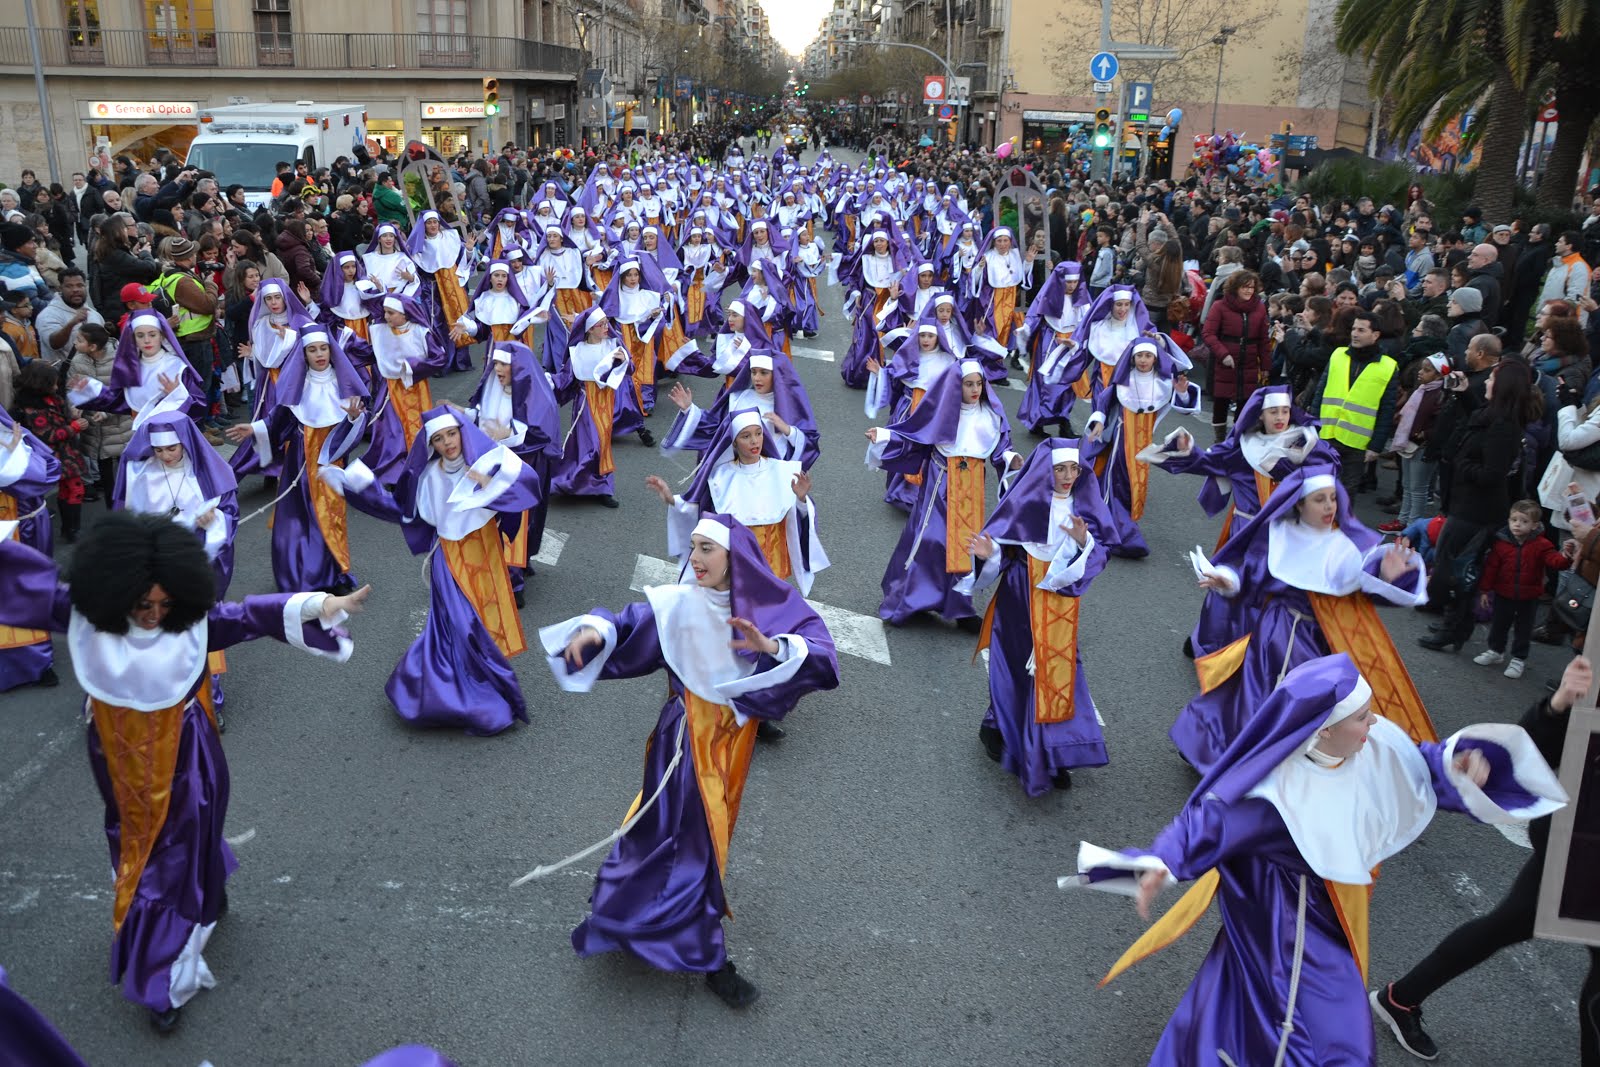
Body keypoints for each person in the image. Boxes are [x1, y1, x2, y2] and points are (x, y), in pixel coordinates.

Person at [1070, 652, 1565, 1067]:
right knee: (1326, 1039)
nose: (1374, 724)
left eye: (1370, 713)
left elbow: (1422, 765)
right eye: (1361, 718)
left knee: (1247, 991)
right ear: (1322, 730)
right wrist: (1155, 863)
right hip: (1289, 925)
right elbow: (1209, 824)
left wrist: (1467, 767)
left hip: (1331, 913)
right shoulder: (1277, 795)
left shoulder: (1372, 742)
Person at [0, 512, 368, 1032]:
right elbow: (20, 580)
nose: (154, 615)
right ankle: (208, 894)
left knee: (165, 859)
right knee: (147, 844)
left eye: (165, 605)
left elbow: (249, 616)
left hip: (185, 753)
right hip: (118, 760)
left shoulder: (193, 622)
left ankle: (160, 982)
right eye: (142, 604)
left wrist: (323, 604)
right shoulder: (84, 613)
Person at [536, 514, 840, 1008]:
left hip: (732, 744)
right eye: (693, 548)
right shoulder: (679, 604)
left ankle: (620, 909)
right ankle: (708, 954)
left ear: (733, 559)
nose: (695, 558)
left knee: (663, 831)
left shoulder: (768, 605)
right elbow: (628, 622)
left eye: (706, 550)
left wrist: (773, 647)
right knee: (697, 842)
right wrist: (594, 634)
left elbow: (821, 652)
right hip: (684, 743)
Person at [1371, 654, 1600, 1061]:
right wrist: (1559, 703)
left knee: (1508, 923)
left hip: (1579, 848)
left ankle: (1401, 997)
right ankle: (1400, 998)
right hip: (1583, 848)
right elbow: (1534, 749)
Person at [1177, 465, 1432, 772]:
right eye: (1319, 499)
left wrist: (1389, 576)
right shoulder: (1280, 536)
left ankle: (1283, 771)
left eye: (1332, 499)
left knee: (1306, 707)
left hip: (1322, 641)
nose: (1329, 506)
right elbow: (1250, 575)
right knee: (1253, 700)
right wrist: (1227, 580)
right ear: (1298, 503)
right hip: (1275, 634)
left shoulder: (1349, 544)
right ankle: (1226, 757)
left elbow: (1370, 588)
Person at [320, 408, 541, 735]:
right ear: (431, 444)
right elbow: (404, 512)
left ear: (462, 432)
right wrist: (359, 485)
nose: (447, 442)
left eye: (451, 434)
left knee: (483, 625)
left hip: (486, 554)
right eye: (438, 438)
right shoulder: (428, 478)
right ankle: (468, 699)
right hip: (449, 559)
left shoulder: (485, 464)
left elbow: (526, 486)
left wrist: (491, 483)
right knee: (462, 626)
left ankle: (457, 685)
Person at [964, 439, 1112, 794]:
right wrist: (989, 553)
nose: (1067, 476)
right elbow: (1005, 546)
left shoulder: (1083, 508)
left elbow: (1099, 554)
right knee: (1018, 665)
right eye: (1060, 468)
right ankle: (1001, 726)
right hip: (1019, 594)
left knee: (1058, 668)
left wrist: (1082, 542)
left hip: (1060, 601)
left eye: (1074, 469)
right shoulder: (1025, 500)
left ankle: (1052, 750)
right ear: (1046, 470)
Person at [867, 360, 1021, 630]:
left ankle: (961, 608)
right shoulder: (943, 411)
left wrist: (1011, 459)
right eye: (968, 384)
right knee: (931, 540)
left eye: (979, 384)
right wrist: (883, 436)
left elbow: (1000, 448)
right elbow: (915, 435)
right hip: (940, 483)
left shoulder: (991, 415)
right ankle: (912, 599)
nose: (975, 389)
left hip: (972, 485)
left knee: (966, 546)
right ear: (956, 386)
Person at [224, 328, 367, 594]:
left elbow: (354, 428)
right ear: (304, 355)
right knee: (299, 516)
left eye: (323, 349)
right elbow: (279, 420)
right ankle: (301, 573)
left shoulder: (343, 384)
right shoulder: (297, 385)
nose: (319, 354)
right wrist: (255, 429)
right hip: (299, 460)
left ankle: (331, 574)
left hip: (329, 461)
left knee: (329, 515)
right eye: (312, 350)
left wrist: (354, 418)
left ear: (331, 351)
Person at [1420, 359, 1542, 652]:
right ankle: (1455, 624)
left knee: (1457, 570)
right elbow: (1479, 422)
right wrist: (1464, 394)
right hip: (1466, 504)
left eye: (1492, 380)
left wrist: (1461, 463)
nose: (1485, 382)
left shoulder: (1504, 427)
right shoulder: (1495, 416)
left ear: (1503, 388)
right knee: (1455, 566)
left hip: (1478, 510)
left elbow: (1491, 474)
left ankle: (1454, 627)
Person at [1143, 385, 1340, 555]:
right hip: (1246, 531)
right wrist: (1186, 449)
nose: (1280, 417)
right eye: (1273, 412)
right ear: (1261, 414)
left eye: (1285, 411)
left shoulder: (1307, 445)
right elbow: (1207, 461)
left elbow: (1329, 475)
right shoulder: (1244, 449)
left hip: (1287, 533)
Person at [454, 340, 561, 605]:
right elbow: (485, 419)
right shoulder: (493, 387)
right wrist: (464, 414)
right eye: (496, 363)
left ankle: (513, 580)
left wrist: (510, 433)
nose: (497, 368)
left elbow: (540, 430)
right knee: (493, 517)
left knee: (518, 519)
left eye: (504, 364)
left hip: (523, 466)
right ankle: (506, 566)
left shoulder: (536, 393)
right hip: (493, 463)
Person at [1081, 335, 1201, 558]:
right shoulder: (1124, 379)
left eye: (1148, 356)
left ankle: (1117, 526)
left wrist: (1183, 392)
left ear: (1155, 359)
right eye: (1139, 356)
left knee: (1136, 487)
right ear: (1132, 357)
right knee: (1117, 483)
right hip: (1120, 440)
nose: (1143, 360)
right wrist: (1098, 422)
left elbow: (1185, 408)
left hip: (1144, 444)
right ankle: (1119, 533)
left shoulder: (1163, 383)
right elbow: (1105, 402)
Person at [550, 306, 644, 508]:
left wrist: (624, 361)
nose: (606, 328)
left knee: (601, 443)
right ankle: (591, 484)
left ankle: (597, 485)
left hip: (606, 402)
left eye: (606, 324)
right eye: (600, 325)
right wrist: (547, 381)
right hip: (585, 404)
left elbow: (630, 368)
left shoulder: (613, 345)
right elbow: (566, 379)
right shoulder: (578, 352)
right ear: (589, 329)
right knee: (592, 443)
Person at [1466, 499, 1570, 679]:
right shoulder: (1501, 543)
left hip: (1529, 596)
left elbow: (1555, 562)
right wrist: (1484, 590)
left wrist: (1566, 556)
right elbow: (1491, 568)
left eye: (1524, 521)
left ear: (1535, 525)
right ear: (1508, 521)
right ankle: (1495, 651)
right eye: (1514, 520)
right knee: (1499, 624)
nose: (1517, 525)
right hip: (1503, 592)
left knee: (1524, 628)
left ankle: (1518, 658)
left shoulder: (1542, 545)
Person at [1309, 309, 1400, 496]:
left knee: (1346, 494)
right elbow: (1320, 392)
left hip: (1357, 443)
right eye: (1354, 329)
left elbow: (1386, 409)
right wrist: (1313, 425)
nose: (1354, 334)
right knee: (1319, 489)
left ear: (1375, 335)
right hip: (1327, 434)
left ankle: (1341, 526)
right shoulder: (1337, 355)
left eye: (1361, 330)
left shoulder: (1388, 366)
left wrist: (1376, 445)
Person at [0, 411, 60, 689]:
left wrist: (12, 453)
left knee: (28, 594)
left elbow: (44, 472)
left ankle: (38, 663)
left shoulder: (12, 433)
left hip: (21, 531)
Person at [363, 295, 450, 486]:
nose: (386, 317)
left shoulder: (421, 332)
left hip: (416, 389)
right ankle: (394, 472)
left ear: (404, 314)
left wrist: (413, 366)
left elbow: (440, 358)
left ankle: (418, 467)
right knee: (392, 430)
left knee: (416, 427)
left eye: (391, 313)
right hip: (390, 390)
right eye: (385, 312)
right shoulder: (382, 331)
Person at [1202, 270, 1272, 442]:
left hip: (1249, 360)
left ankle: (1236, 439)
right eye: (1245, 287)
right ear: (1235, 288)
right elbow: (1209, 333)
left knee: (1245, 402)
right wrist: (1223, 353)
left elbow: (1264, 340)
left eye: (1251, 288)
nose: (1249, 291)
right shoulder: (1220, 306)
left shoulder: (1259, 307)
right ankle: (1219, 440)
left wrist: (1265, 366)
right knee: (1221, 401)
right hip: (1226, 360)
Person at [35, 268, 104, 366]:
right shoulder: (48, 315)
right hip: (63, 378)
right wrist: (71, 324)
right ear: (60, 288)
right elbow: (54, 344)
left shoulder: (95, 315)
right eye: (69, 286)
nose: (75, 290)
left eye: (80, 285)